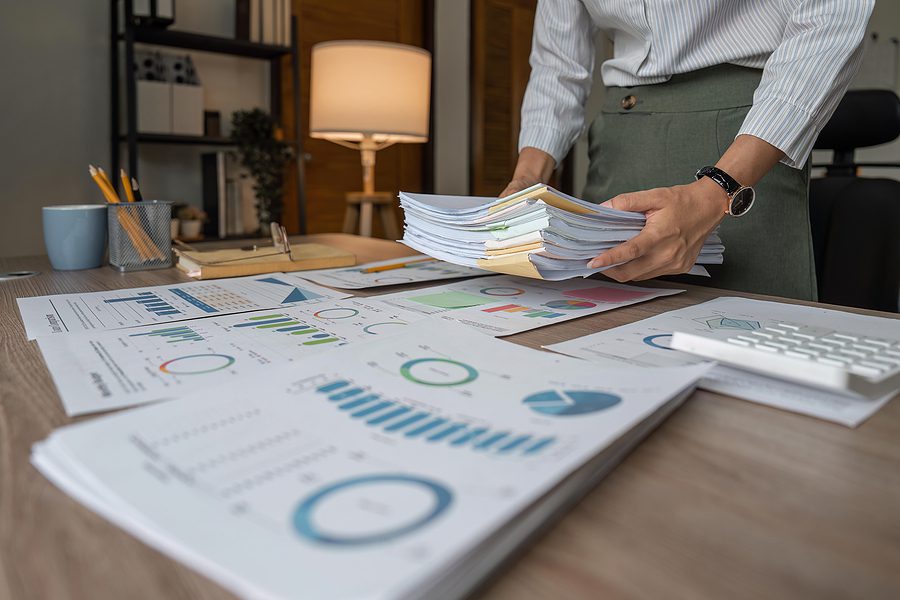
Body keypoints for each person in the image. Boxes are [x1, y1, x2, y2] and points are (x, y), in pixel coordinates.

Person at [502, 0, 874, 300]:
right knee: (598, 335)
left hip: (742, 144)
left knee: (749, 339)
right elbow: (557, 64)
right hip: (622, 138)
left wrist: (721, 187)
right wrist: (526, 179)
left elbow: (832, 14)